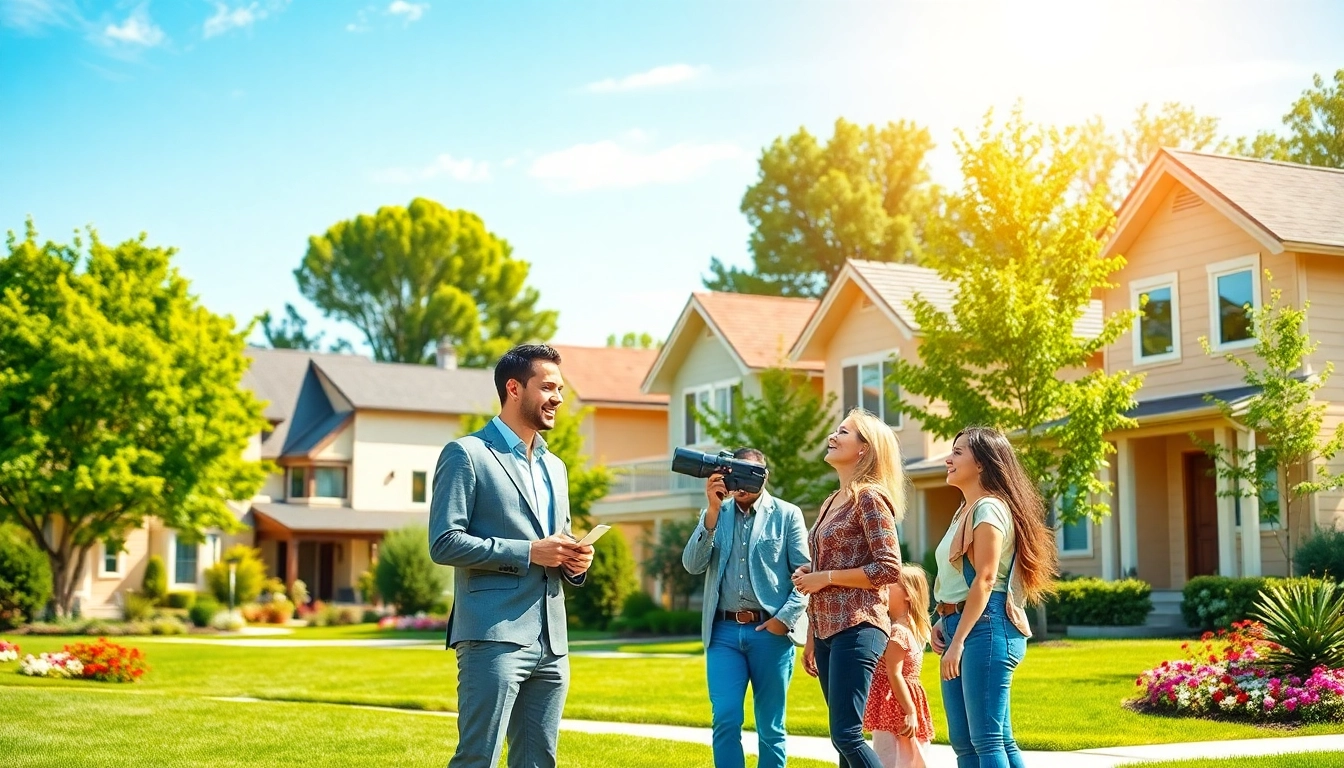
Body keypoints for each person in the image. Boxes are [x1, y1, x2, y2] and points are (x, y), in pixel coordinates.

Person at [428, 344, 595, 768]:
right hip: (492, 635)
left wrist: (574, 560)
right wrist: (529, 552)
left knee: (539, 760)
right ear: (514, 387)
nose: (558, 397)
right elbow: (444, 541)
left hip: (552, 641)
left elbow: (556, 541)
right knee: (476, 758)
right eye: (548, 387)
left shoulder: (555, 467)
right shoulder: (467, 454)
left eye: (561, 388)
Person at [930, 427, 1057, 768]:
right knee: (971, 742)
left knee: (985, 741)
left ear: (983, 463)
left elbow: (985, 580)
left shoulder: (988, 508)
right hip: (964, 624)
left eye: (958, 452)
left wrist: (958, 641)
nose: (948, 459)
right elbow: (956, 580)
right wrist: (941, 621)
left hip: (987, 627)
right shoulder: (966, 510)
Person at [682, 448, 811, 768]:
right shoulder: (715, 514)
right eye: (733, 475)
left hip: (770, 632)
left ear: (763, 475)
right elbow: (692, 565)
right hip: (723, 633)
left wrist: (785, 619)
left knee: (770, 726)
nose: (738, 483)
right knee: (725, 718)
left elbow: (807, 577)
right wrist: (711, 513)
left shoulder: (787, 514)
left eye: (746, 474)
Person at [792, 407, 904, 768]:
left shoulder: (869, 497)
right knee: (843, 740)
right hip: (826, 629)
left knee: (847, 734)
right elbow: (838, 563)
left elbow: (888, 567)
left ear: (864, 449)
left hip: (858, 625)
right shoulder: (830, 502)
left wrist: (823, 577)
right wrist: (813, 574)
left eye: (843, 432)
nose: (832, 436)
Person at [864, 565, 935, 768]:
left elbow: (894, 673)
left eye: (890, 585)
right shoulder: (911, 628)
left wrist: (910, 711)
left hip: (894, 703)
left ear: (908, 595)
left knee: (887, 757)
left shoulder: (897, 632)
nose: (883, 588)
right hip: (903, 701)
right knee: (909, 755)